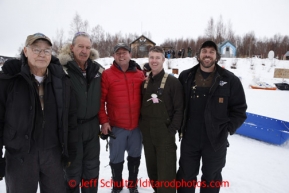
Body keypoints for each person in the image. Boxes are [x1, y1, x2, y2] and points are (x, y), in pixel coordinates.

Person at [0, 33, 78, 193]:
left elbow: (69, 118)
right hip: (20, 156)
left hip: (53, 154)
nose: (42, 54)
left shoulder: (62, 81)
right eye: (36, 49)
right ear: (25, 51)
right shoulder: (9, 80)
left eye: (46, 50)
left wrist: (71, 149)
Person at [176, 40, 247, 193]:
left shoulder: (229, 80)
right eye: (204, 51)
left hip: (215, 140)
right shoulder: (186, 76)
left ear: (216, 56)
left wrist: (226, 129)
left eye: (211, 52)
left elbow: (240, 110)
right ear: (198, 55)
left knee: (212, 178)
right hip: (190, 137)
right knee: (185, 176)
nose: (207, 55)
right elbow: (175, 102)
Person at [58, 32, 104, 193]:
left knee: (91, 169)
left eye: (88, 47)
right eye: (80, 47)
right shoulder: (60, 69)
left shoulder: (97, 70)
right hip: (71, 129)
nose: (84, 51)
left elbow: (114, 84)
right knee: (72, 171)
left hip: (92, 127)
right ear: (72, 47)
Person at [99, 43, 144, 193]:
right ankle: (117, 186)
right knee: (116, 159)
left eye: (124, 52)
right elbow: (101, 101)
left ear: (130, 54)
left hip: (136, 126)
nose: (121, 55)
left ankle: (132, 185)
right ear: (113, 56)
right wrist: (104, 121)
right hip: (117, 127)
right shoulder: (107, 74)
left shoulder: (139, 74)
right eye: (118, 53)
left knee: (135, 157)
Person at [139, 46, 183, 193]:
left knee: (166, 175)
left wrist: (171, 131)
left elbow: (179, 109)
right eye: (151, 57)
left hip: (165, 135)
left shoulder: (172, 82)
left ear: (164, 60)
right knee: (153, 172)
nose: (154, 60)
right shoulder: (145, 82)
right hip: (148, 134)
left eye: (157, 57)